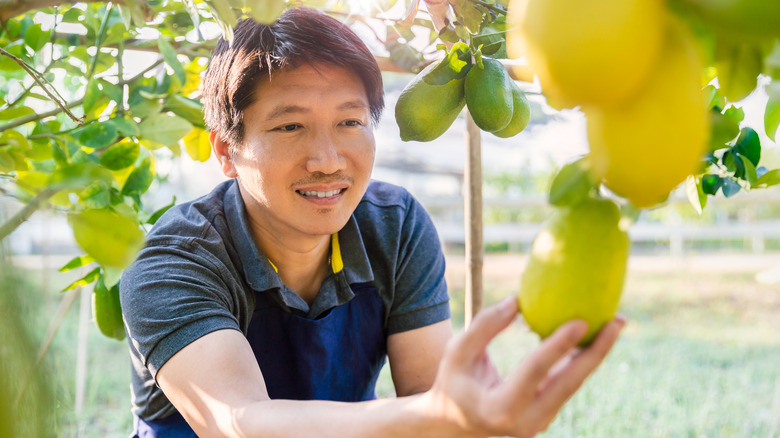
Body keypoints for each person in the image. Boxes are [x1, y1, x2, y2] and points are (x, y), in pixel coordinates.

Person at [120, 7, 625, 438]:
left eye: (350, 122)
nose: (327, 159)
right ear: (226, 150)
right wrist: (439, 412)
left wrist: (466, 413)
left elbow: (429, 395)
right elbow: (241, 420)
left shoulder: (394, 227)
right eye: (290, 126)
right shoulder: (173, 263)